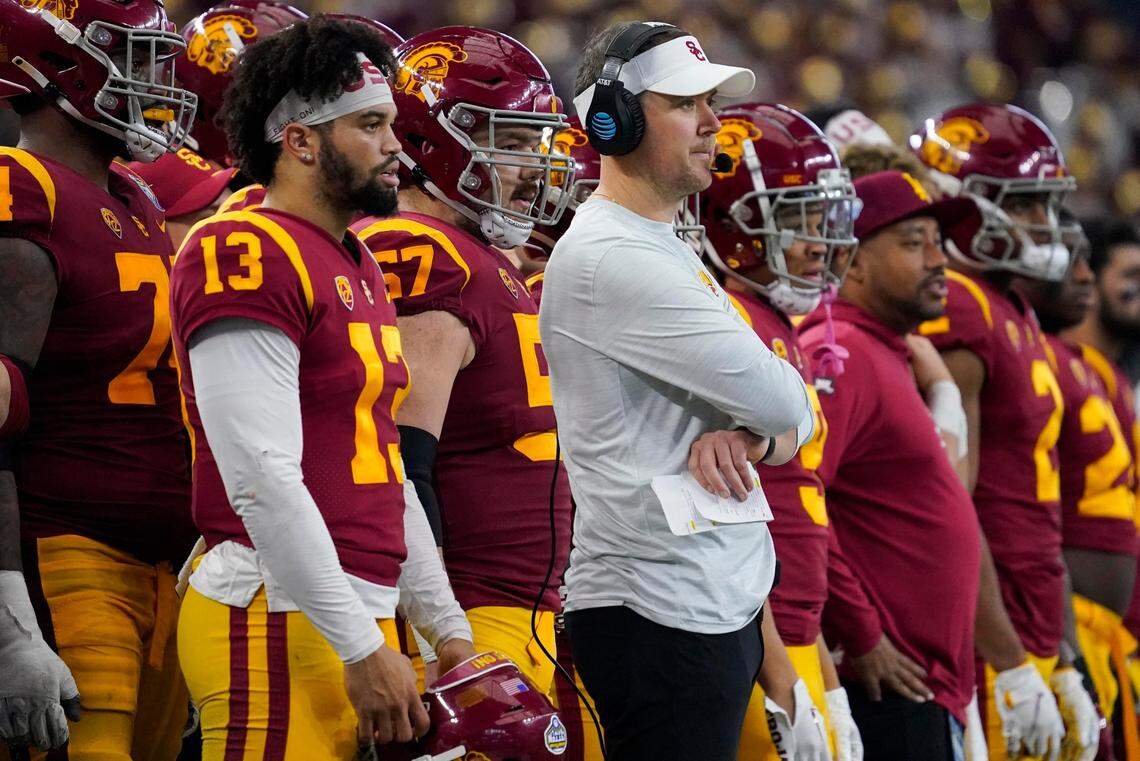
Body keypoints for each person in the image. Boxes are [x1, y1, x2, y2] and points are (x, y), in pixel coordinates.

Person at [169, 17, 474, 759]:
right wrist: (360, 642)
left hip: (346, 613)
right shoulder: (243, 247)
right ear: (300, 140)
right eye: (370, 124)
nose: (396, 147)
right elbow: (261, 478)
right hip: (272, 608)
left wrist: (449, 629)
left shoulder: (356, 263)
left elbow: (382, 459)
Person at [541, 20, 823, 760]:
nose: (711, 124)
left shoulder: (661, 244)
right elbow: (787, 399)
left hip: (703, 599)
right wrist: (773, 421)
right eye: (684, 104)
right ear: (615, 118)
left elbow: (796, 417)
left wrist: (759, 435)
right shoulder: (613, 259)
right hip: (655, 608)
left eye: (711, 103)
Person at [350, 25, 577, 698]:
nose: (533, 167)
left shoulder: (476, 255)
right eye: (509, 142)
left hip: (527, 612)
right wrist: (436, 638)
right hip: (470, 615)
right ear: (429, 140)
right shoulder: (418, 250)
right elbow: (400, 461)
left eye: (532, 143)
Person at [0, 0, 198, 756]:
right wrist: (9, 624)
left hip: (163, 575)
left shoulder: (138, 198)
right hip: (68, 556)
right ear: (51, 67)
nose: (157, 81)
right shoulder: (24, 187)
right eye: (134, 58)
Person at [913, 102, 1099, 760]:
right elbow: (955, 503)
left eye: (1043, 203)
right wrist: (1009, 656)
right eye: (1021, 205)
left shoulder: (1009, 303)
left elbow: (1035, 507)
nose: (1040, 225)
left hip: (1037, 618)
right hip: (995, 633)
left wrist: (1066, 656)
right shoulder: (959, 303)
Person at [799, 169, 1005, 760]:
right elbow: (798, 499)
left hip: (928, 684)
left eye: (940, 243)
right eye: (915, 243)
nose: (940, 261)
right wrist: (863, 634)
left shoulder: (884, 351)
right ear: (854, 261)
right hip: (886, 685)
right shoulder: (842, 354)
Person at [696, 100, 862, 761]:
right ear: (732, 219)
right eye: (797, 220)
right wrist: (782, 676)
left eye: (821, 218)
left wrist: (825, 678)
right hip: (749, 649)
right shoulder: (722, 318)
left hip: (791, 643)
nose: (818, 241)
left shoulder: (772, 324)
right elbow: (726, 532)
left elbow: (798, 515)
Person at [1018, 217, 1139, 760]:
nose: (1085, 278)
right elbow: (1028, 505)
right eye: (1075, 263)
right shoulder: (1039, 359)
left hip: (1110, 631)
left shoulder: (1100, 372)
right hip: (1064, 628)